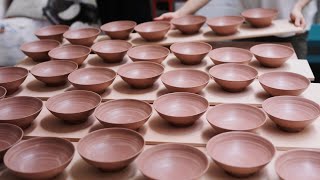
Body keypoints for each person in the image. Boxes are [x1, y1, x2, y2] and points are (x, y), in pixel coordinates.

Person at [155, 0, 318, 59]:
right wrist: (180, 14)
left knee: (292, 83)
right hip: (250, 26)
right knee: (245, 78)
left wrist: (298, 6)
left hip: (292, 23)